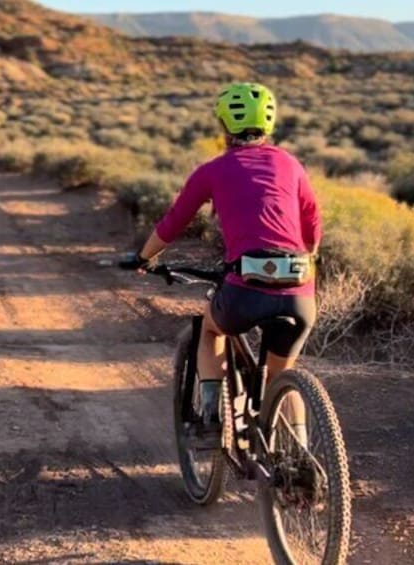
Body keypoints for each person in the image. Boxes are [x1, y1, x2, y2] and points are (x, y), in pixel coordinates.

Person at [121, 82, 321, 437]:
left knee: (211, 328)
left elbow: (173, 222)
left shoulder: (212, 171)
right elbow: (312, 220)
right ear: (269, 124)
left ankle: (212, 420)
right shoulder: (290, 165)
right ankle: (301, 456)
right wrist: (309, 254)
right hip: (299, 291)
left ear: (225, 125)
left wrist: (142, 257)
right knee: (282, 372)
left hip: (246, 289)